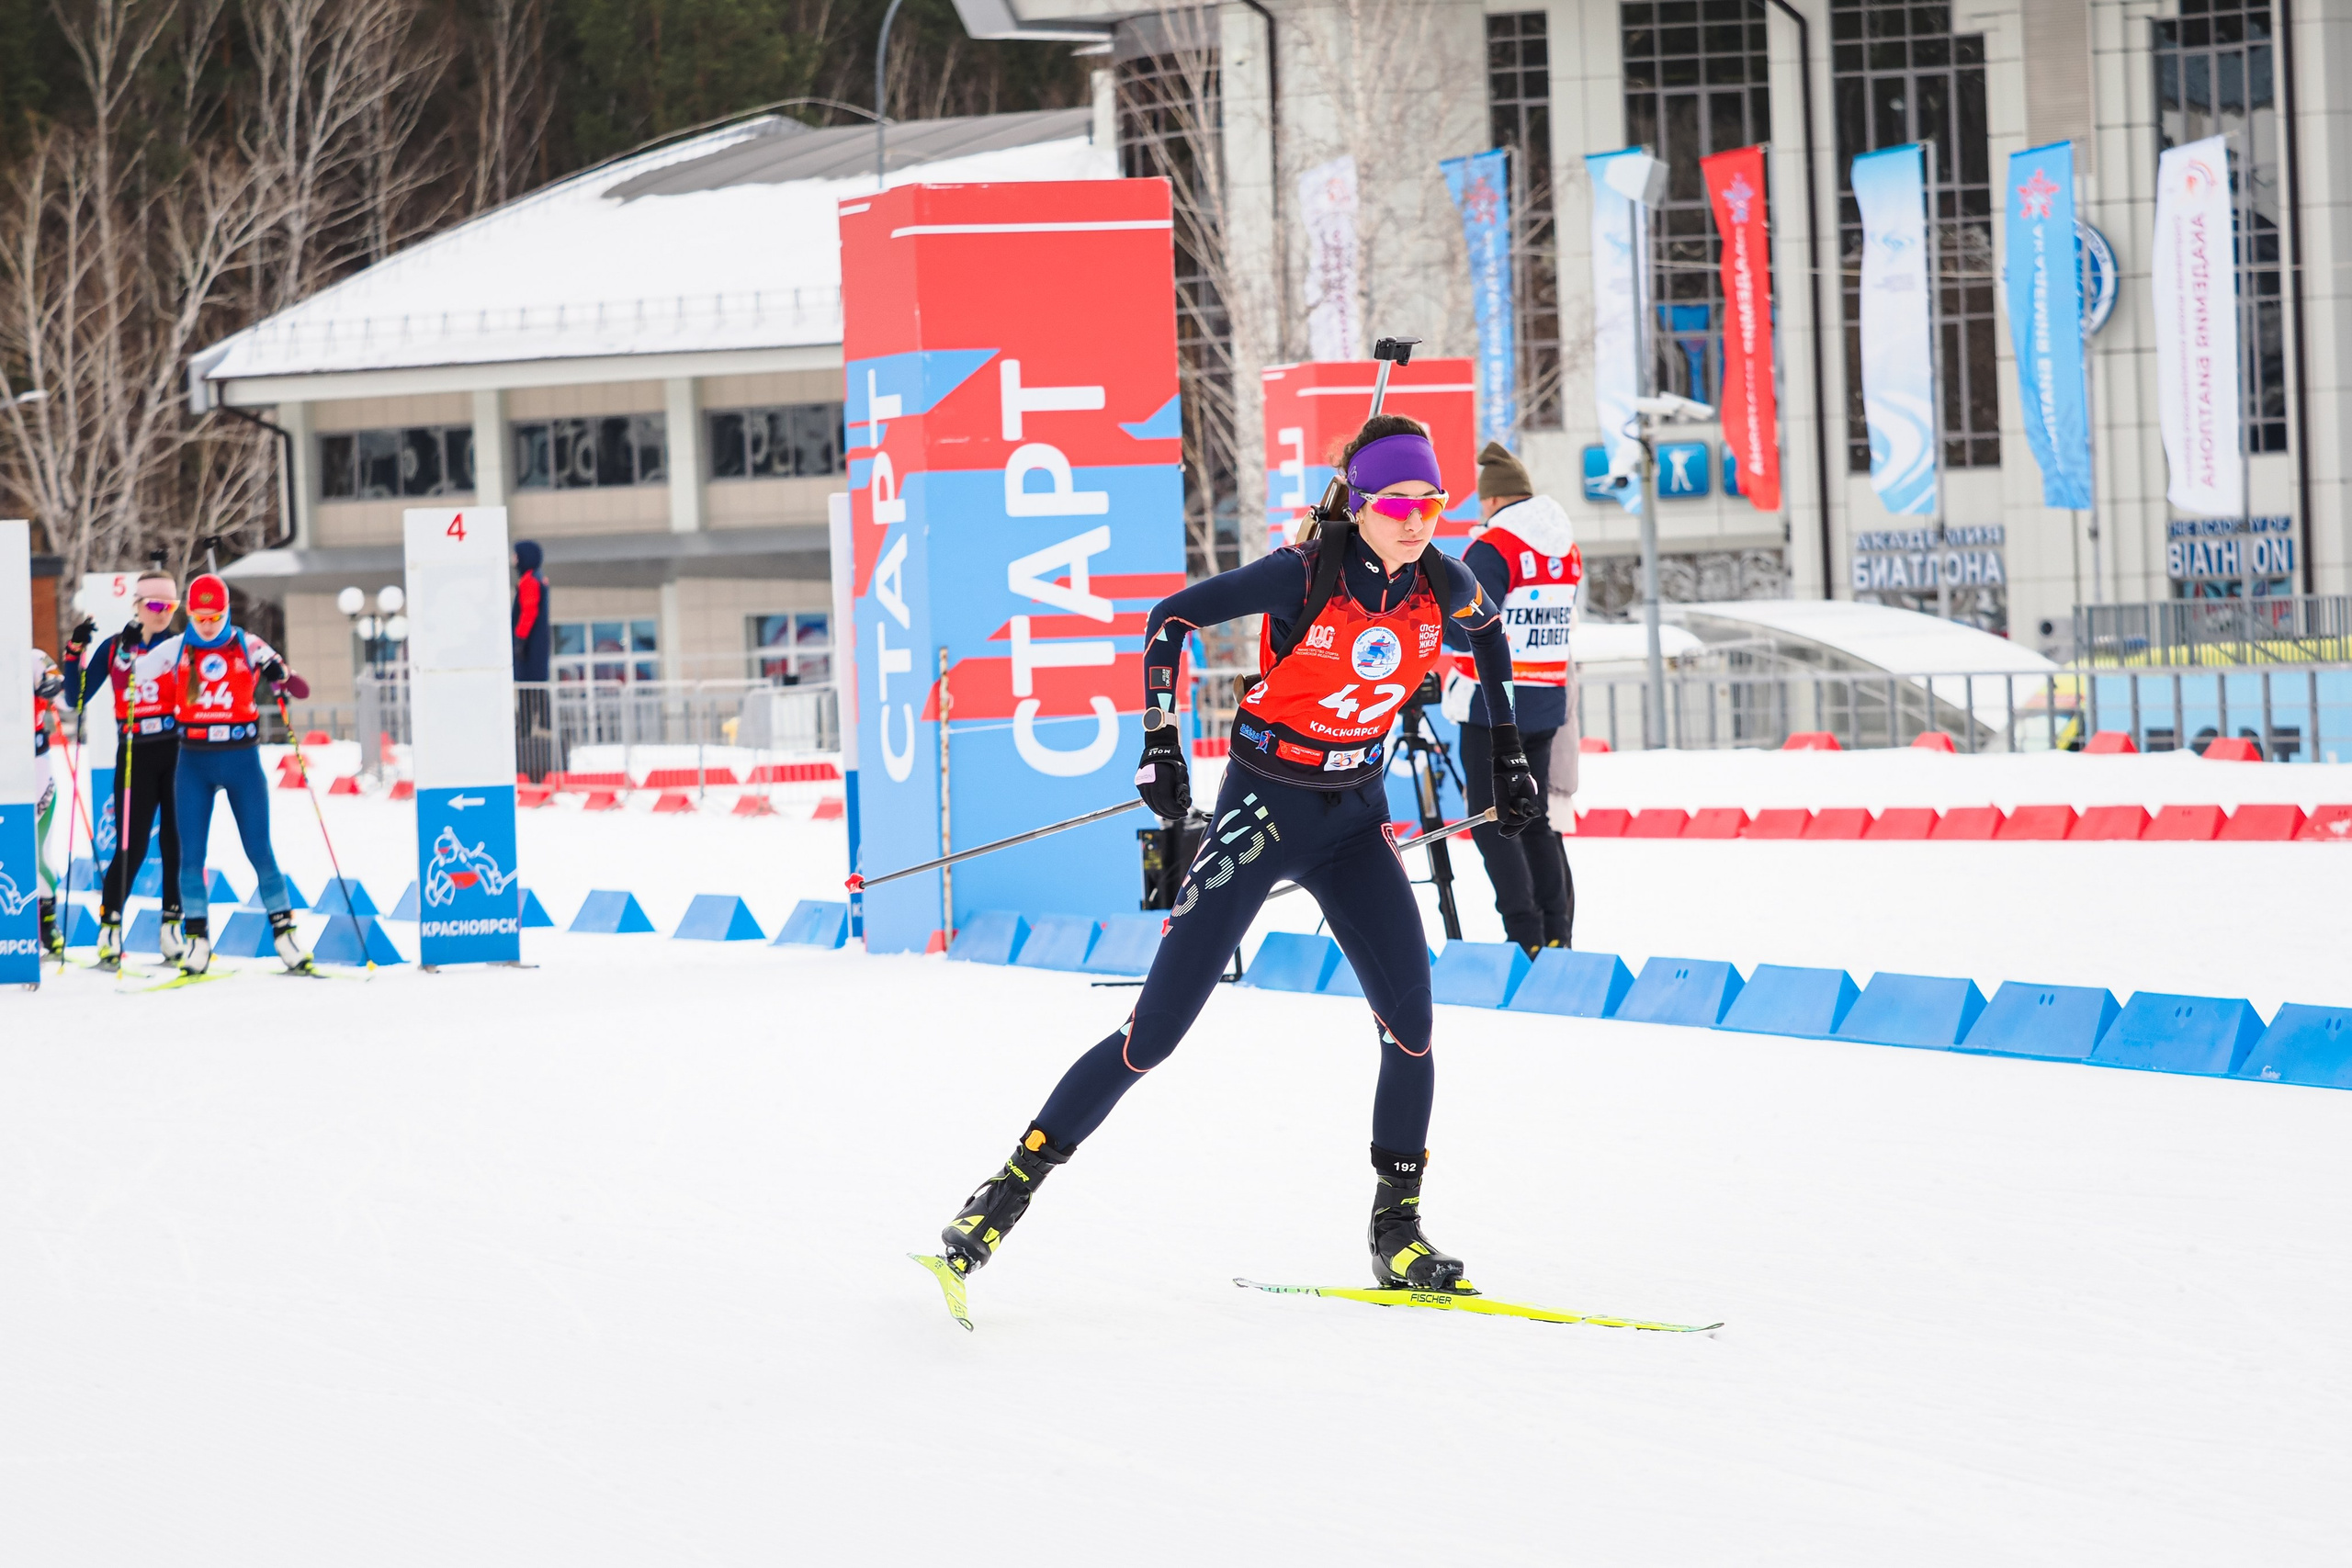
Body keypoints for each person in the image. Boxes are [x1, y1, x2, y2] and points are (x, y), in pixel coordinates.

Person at [932, 413, 1544, 1292]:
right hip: (1262, 808)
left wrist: (1510, 754)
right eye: (1399, 502)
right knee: (1154, 1036)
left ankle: (1395, 1228)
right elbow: (1169, 620)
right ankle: (1003, 1192)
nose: (1418, 519)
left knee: (1412, 1027)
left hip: (1354, 818)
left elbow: (1488, 635)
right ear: (1361, 505)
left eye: (1432, 501)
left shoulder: (1443, 582)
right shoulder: (1305, 573)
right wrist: (1161, 740)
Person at [131, 573, 314, 975]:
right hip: (193, 762)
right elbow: (138, 672)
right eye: (199, 616)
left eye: (215, 616)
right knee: (190, 856)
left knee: (259, 850)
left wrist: (281, 677)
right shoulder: (177, 647)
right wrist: (132, 650)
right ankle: (197, 940)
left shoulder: (246, 643)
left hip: (241, 760)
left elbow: (283, 672)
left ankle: (285, 935)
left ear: (226, 611)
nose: (208, 624)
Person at [1439, 440, 1578, 954]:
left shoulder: (1494, 547)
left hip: (1493, 707)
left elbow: (1471, 624)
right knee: (1535, 818)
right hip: (1546, 700)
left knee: (1493, 820)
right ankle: (1555, 931)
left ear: (1494, 500)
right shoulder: (1564, 545)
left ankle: (1523, 936)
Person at [62, 571, 188, 965]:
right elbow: (75, 697)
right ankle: (111, 925)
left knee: (175, 841)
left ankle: (172, 927)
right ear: (136, 604)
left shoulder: (181, 645)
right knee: (130, 845)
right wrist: (74, 651)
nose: (162, 614)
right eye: (154, 605)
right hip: (135, 752)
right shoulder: (117, 648)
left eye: (170, 607)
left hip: (177, 750)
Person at [512, 540, 554, 781]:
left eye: (516, 556)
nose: (514, 561)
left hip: (530, 652)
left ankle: (529, 737)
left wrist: (519, 639)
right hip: (536, 651)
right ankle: (538, 730)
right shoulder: (538, 579)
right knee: (536, 693)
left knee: (530, 694)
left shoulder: (529, 581)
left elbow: (529, 611)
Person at [30, 647, 63, 954]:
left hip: (35, 764)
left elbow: (64, 695)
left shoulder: (33, 658)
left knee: (37, 850)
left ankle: (47, 922)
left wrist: (52, 684)